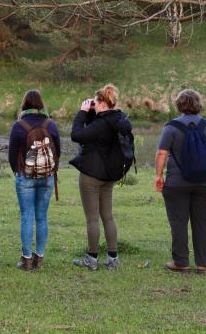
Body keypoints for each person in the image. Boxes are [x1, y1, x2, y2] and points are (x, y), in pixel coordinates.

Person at [155, 89, 206, 273]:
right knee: (201, 222)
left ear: (179, 105)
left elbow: (162, 153)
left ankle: (181, 262)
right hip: (203, 183)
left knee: (179, 222)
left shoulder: (171, 127)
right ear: (198, 104)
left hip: (176, 183)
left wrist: (159, 176)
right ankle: (203, 264)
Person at [68, 84, 132, 272]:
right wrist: (91, 113)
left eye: (96, 102)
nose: (93, 104)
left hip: (92, 176)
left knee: (92, 219)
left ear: (103, 103)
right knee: (108, 216)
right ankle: (113, 258)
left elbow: (76, 135)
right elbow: (95, 129)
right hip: (110, 175)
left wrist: (81, 112)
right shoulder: (119, 119)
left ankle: (92, 258)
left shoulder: (101, 124)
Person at [8, 89, 62, 271]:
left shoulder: (18, 126)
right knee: (42, 217)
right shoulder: (51, 124)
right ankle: (39, 258)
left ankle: (26, 259)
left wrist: (19, 171)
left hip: (25, 177)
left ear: (24, 105)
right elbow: (58, 152)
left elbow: (11, 154)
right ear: (41, 104)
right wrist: (49, 169)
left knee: (26, 217)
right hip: (47, 177)